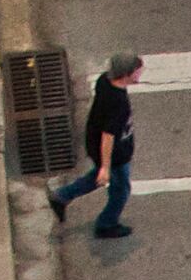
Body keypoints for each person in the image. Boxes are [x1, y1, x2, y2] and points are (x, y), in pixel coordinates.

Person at [46, 52, 140, 237]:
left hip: (95, 142)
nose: (139, 74)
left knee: (97, 178)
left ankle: (62, 197)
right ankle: (107, 224)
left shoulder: (104, 81)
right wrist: (106, 166)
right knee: (121, 190)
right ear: (126, 74)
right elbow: (108, 135)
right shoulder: (118, 102)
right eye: (137, 71)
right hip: (115, 155)